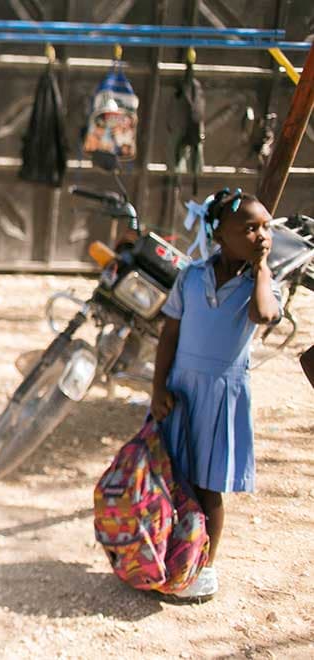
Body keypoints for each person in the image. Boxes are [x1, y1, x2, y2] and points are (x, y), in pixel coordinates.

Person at [151, 188, 282, 600]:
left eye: (267, 229)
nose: (262, 235)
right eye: (250, 228)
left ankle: (205, 568)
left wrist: (262, 268)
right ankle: (172, 557)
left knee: (209, 486)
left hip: (222, 394)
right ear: (220, 235)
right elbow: (168, 334)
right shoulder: (191, 277)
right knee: (174, 476)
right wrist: (158, 388)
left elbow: (264, 314)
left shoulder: (257, 285)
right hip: (181, 388)